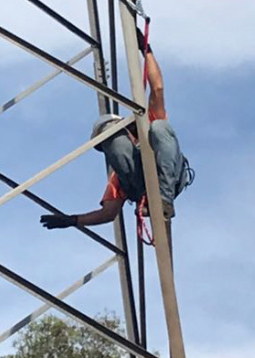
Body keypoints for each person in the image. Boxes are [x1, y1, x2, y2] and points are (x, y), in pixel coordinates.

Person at [40, 29, 190, 233]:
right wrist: (73, 220)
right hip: (141, 186)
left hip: (171, 175)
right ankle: (155, 199)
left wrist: (146, 50)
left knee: (160, 127)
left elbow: (157, 89)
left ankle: (164, 200)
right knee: (126, 146)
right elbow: (109, 213)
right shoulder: (118, 175)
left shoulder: (149, 124)